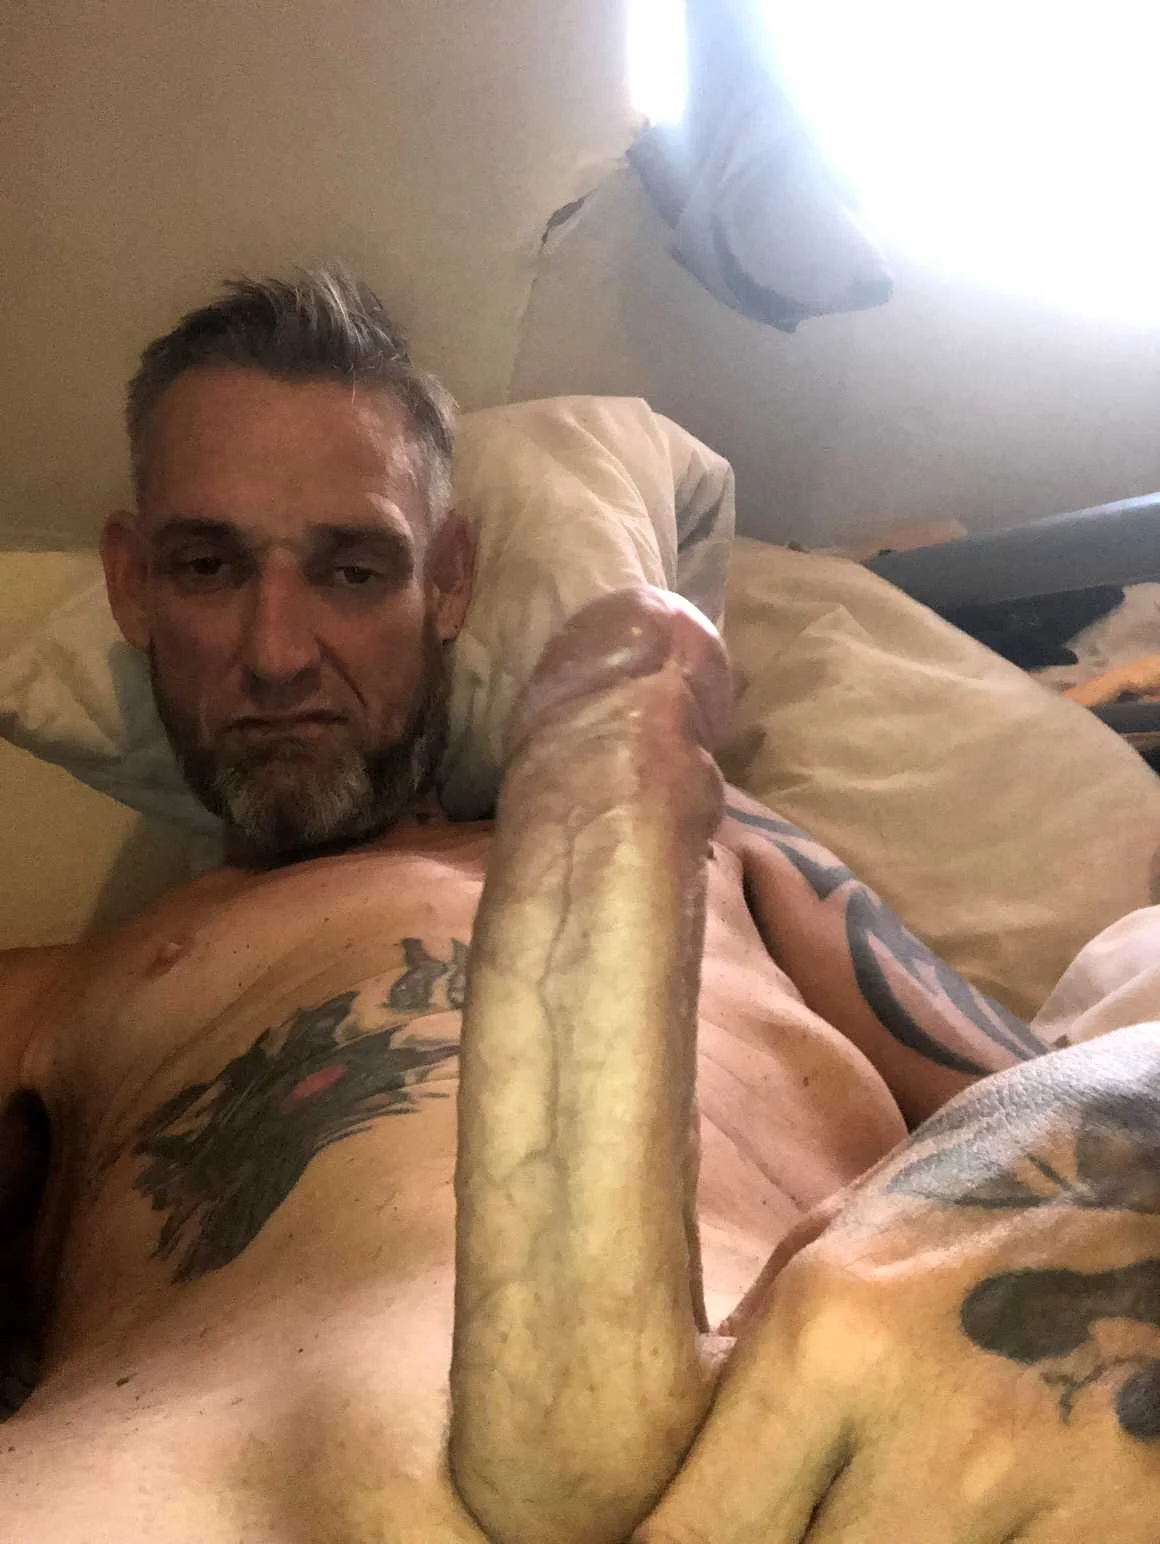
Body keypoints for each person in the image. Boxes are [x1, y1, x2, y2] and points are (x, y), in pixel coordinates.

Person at [0, 270, 1154, 1544]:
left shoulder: (714, 839)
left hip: (803, 1417)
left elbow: (1041, 1103)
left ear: (449, 582)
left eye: (353, 569)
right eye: (208, 567)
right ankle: (573, 1391)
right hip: (185, 1471)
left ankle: (607, 1370)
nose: (276, 651)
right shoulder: (57, 991)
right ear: (130, 582)